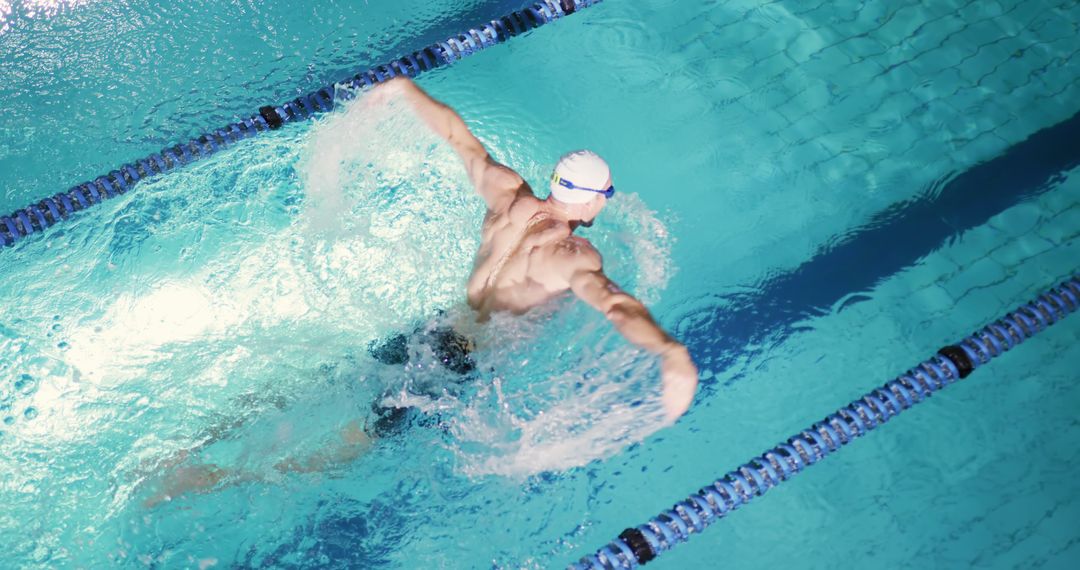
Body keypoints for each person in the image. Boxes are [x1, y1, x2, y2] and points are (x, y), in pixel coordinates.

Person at [142, 77, 698, 506]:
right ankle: (215, 481)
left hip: (432, 327)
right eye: (606, 195)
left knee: (319, 386)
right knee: (355, 447)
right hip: (455, 363)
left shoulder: (508, 197)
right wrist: (669, 352)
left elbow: (460, 138)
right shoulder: (571, 254)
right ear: (594, 200)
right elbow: (613, 301)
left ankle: (185, 448)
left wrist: (405, 88)